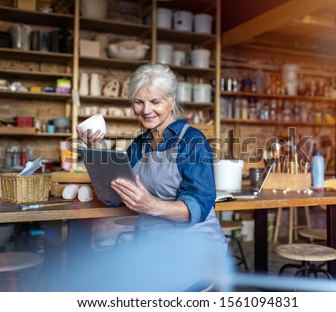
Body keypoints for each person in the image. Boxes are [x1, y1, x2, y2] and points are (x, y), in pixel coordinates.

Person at [77, 64, 228, 291]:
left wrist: (152, 206)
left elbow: (199, 206)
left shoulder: (192, 141)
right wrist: (97, 150)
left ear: (172, 101)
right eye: (139, 102)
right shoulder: (139, 144)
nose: (146, 110)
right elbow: (116, 194)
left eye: (155, 102)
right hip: (151, 243)